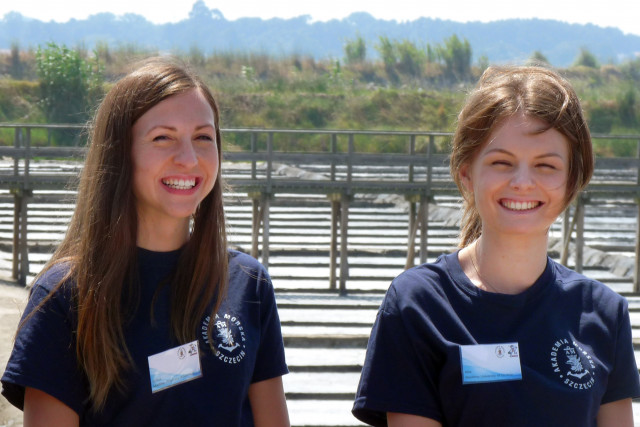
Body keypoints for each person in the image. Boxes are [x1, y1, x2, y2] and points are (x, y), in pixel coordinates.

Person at [1, 58, 290, 426]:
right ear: (119, 154)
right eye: (162, 138)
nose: (188, 159)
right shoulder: (66, 295)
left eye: (203, 137)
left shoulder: (248, 284)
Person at [352, 66, 640, 426]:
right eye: (501, 163)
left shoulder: (604, 313)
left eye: (546, 165)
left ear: (572, 181)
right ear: (467, 175)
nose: (522, 182)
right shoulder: (418, 304)